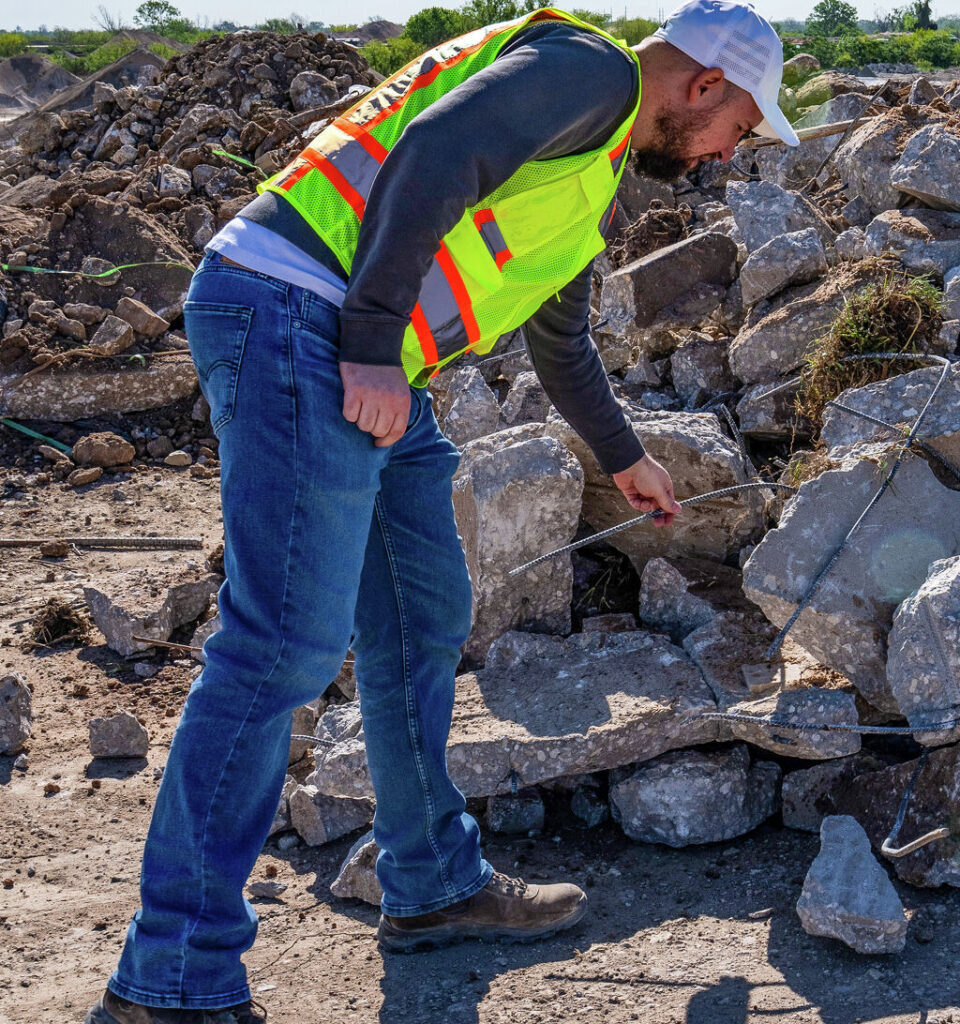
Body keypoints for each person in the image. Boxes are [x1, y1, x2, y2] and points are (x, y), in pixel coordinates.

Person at [90, 3, 795, 1021]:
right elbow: (436, 143)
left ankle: (430, 883)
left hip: (354, 345)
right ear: (704, 88)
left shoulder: (587, 168)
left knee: (424, 609)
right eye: (743, 127)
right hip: (300, 313)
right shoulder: (591, 73)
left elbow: (562, 342)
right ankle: (173, 976)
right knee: (282, 645)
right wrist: (373, 340)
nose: (732, 152)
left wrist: (625, 457)